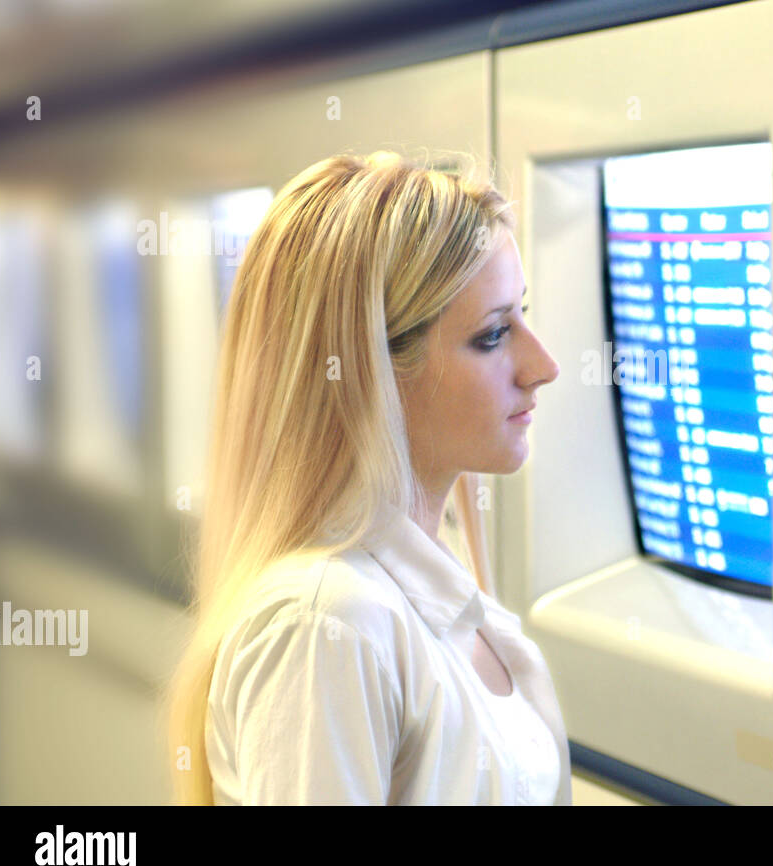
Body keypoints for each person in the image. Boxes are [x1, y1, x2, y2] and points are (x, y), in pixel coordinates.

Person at [163, 149, 568, 804]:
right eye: (493, 336)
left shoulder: (428, 589)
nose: (543, 363)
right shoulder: (325, 623)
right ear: (372, 370)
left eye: (522, 314)